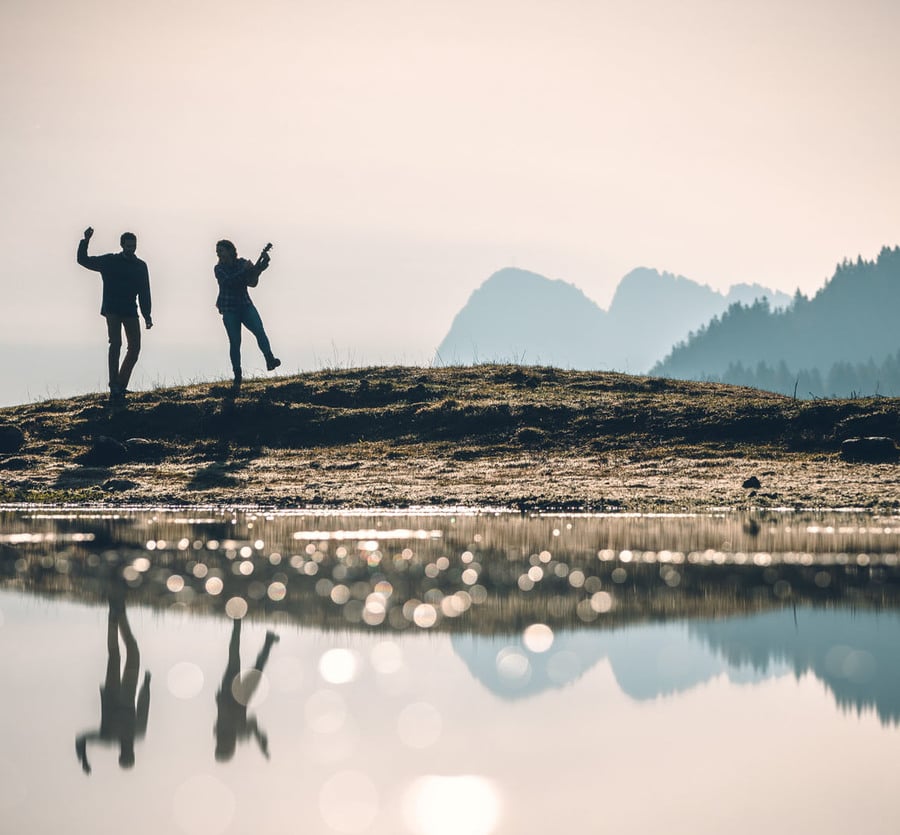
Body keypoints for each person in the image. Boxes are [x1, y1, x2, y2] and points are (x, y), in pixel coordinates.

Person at [75, 590, 151, 773]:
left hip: (114, 694)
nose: (127, 750)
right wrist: (146, 685)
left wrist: (84, 760)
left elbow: (81, 739)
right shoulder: (133, 734)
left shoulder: (109, 738)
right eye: (129, 753)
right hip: (127, 695)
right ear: (132, 752)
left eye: (125, 754)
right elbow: (143, 707)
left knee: (116, 656)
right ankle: (119, 611)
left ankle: (114, 611)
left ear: (121, 754)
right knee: (130, 654)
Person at [76, 227, 153, 402]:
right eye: (128, 246)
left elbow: (145, 291)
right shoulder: (110, 261)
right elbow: (83, 260)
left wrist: (147, 315)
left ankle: (120, 384)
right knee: (115, 343)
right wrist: (85, 240)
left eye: (133, 246)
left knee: (135, 347)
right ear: (122, 245)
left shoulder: (140, 266)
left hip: (130, 310)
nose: (131, 249)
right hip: (112, 309)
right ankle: (114, 386)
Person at [214, 239, 281, 393]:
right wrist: (247, 271)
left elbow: (252, 282)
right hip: (230, 309)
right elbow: (229, 282)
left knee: (259, 330)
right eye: (218, 251)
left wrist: (260, 268)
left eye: (221, 250)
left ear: (230, 251)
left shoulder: (242, 263)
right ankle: (237, 373)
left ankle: (269, 359)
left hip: (245, 305)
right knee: (235, 341)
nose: (218, 254)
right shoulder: (218, 269)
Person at [214, 620, 279, 762]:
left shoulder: (230, 732)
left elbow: (251, 725)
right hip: (234, 695)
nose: (232, 747)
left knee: (242, 662)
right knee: (237, 659)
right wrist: (261, 744)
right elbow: (253, 726)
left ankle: (242, 627)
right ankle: (241, 626)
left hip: (233, 695)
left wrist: (261, 742)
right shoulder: (228, 733)